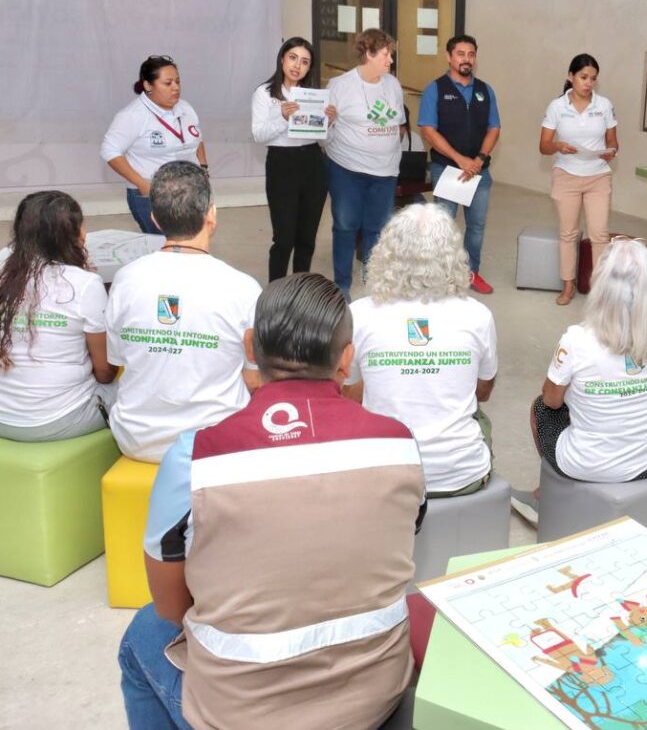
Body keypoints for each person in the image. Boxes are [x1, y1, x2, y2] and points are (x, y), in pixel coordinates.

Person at [118, 273, 425, 730]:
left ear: (249, 346)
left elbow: (170, 606)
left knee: (144, 631)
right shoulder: (400, 445)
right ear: (347, 359)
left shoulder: (193, 459)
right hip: (375, 698)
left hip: (238, 711)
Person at [104, 161, 261, 463]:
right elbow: (253, 381)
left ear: (154, 219)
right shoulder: (243, 288)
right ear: (211, 214)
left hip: (136, 439)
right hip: (215, 440)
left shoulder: (125, 280)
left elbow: (119, 360)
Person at [512, 239, 647, 523]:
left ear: (600, 282)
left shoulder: (577, 340)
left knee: (540, 409)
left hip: (588, 464)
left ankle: (546, 499)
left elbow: (551, 400)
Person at [344, 204, 497, 497]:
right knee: (477, 415)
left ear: (386, 252)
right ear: (453, 254)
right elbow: (483, 391)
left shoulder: (359, 314)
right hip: (460, 475)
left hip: (384, 477)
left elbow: (350, 395)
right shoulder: (477, 315)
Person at [0, 191, 115, 441]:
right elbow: (105, 372)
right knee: (142, 386)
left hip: (3, 417)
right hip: (59, 418)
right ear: (75, 233)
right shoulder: (85, 284)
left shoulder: (3, 271)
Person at [418, 35, 501, 295]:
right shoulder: (435, 89)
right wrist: (459, 159)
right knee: (443, 226)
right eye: (461, 53)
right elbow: (428, 130)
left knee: (476, 227)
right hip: (446, 169)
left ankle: (470, 272)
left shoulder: (485, 90)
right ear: (449, 57)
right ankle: (440, 276)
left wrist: (479, 160)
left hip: (479, 172)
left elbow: (494, 128)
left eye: (471, 54)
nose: (467, 59)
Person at [325, 28, 404, 297]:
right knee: (345, 226)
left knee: (377, 228)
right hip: (347, 170)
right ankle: (342, 285)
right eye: (386, 54)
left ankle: (373, 282)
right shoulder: (339, 85)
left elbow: (399, 123)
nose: (390, 60)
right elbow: (325, 129)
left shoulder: (393, 84)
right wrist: (327, 122)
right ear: (369, 53)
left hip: (386, 172)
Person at [251, 37, 334, 282]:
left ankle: (300, 289)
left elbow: (324, 141)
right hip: (281, 163)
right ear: (282, 59)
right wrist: (282, 117)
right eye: (293, 58)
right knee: (284, 238)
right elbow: (258, 135)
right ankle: (275, 290)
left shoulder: (313, 96)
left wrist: (329, 123)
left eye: (305, 62)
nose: (298, 65)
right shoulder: (265, 93)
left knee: (307, 238)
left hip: (312, 162)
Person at [539, 53, 619, 305]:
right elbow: (544, 146)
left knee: (600, 235)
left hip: (598, 175)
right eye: (583, 77)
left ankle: (600, 291)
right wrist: (558, 146)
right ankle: (568, 285)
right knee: (568, 234)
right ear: (571, 76)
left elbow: (613, 141)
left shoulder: (604, 105)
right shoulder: (557, 107)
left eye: (593, 79)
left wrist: (611, 151)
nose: (588, 83)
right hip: (566, 175)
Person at [102, 56, 208, 234]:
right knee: (162, 244)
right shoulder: (132, 115)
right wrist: (142, 184)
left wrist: (203, 167)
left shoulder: (186, 108)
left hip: (189, 190)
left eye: (177, 81)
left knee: (190, 241)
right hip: (153, 194)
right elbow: (109, 151)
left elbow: (197, 138)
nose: (176, 87)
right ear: (148, 85)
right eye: (168, 83)